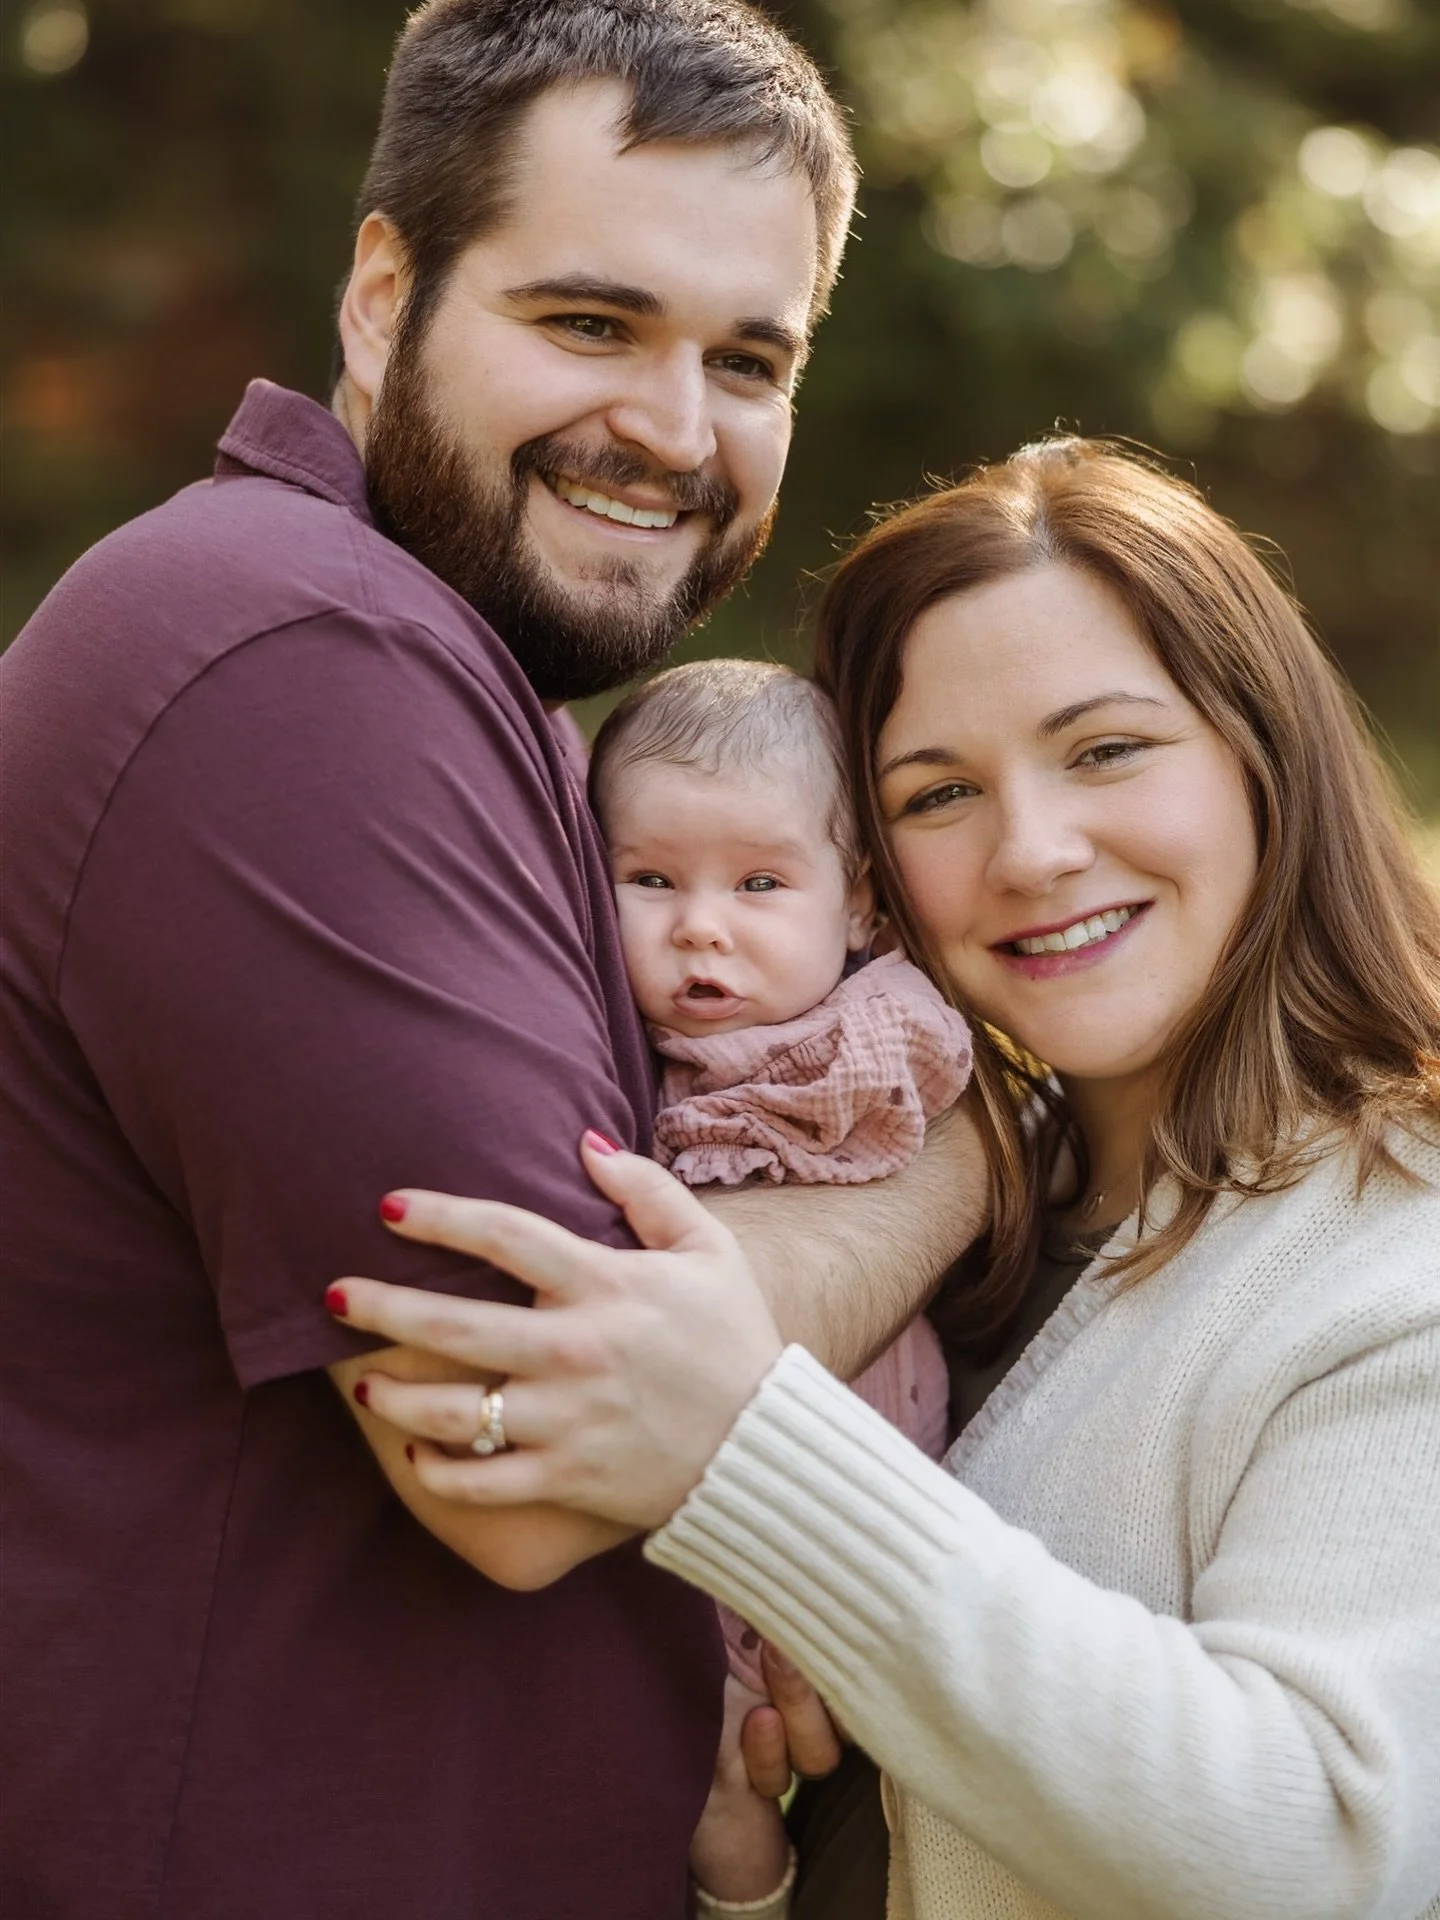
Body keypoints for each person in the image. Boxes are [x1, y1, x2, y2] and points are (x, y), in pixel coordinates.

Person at [0, 7, 991, 1917]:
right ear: (385, 294)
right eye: (592, 323)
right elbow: (530, 1450)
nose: (675, 432)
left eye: (749, 359)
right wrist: (964, 1146)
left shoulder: (487, 705)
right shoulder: (292, 656)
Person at [329, 439, 1440, 1919]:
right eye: (936, 794)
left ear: (1263, 752)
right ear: (868, 872)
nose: (1034, 851)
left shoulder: (1391, 1255)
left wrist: (748, 1448)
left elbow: (1330, 1852)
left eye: (1107, 749)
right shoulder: (963, 1190)